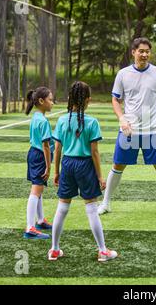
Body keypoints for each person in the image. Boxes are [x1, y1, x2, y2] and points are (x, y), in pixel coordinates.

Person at [98, 37, 156, 218]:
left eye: (147, 51)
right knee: (118, 165)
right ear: (133, 52)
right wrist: (121, 118)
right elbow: (115, 99)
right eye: (141, 51)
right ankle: (105, 203)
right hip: (129, 130)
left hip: (152, 130)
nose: (144, 54)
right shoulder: (122, 74)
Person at [48, 81, 117, 262]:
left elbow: (58, 149)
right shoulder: (92, 122)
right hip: (85, 165)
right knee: (92, 209)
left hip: (68, 164)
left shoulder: (62, 120)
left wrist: (57, 172)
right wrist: (100, 176)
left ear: (70, 98)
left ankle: (54, 249)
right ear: (88, 100)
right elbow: (94, 152)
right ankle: (102, 251)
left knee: (62, 208)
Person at [23, 87, 54, 240]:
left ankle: (40, 220)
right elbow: (46, 146)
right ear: (41, 101)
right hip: (40, 156)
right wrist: (49, 167)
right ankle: (30, 227)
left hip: (33, 154)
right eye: (50, 99)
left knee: (38, 188)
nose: (52, 103)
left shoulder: (36, 116)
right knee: (36, 190)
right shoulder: (43, 121)